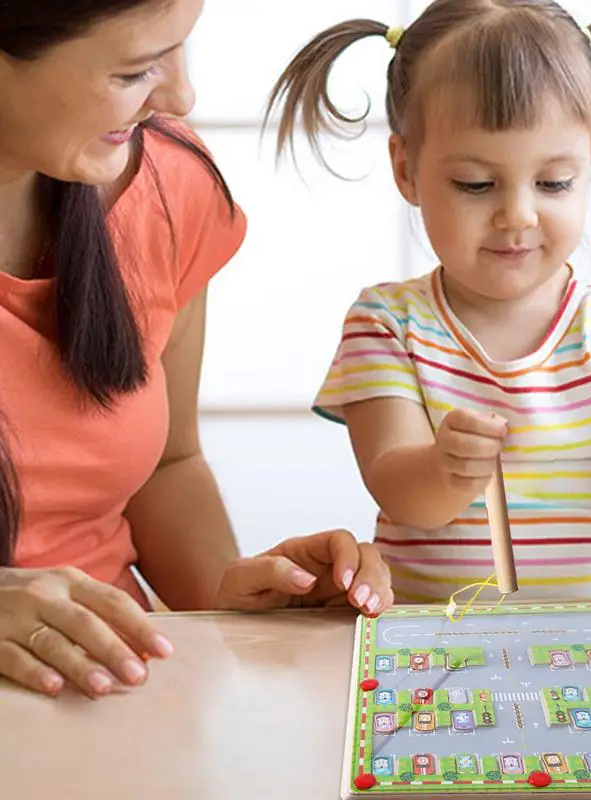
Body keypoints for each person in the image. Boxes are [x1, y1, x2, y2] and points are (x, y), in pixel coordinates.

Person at [265, 0, 591, 661]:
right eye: (475, 183)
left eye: (554, 181)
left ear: (589, 166)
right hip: (432, 662)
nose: (518, 215)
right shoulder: (387, 323)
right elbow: (398, 487)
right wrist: (444, 470)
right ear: (406, 169)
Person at [0, 0, 392, 700]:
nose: (181, 96)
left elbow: (168, 465)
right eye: (135, 69)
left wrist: (233, 593)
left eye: (181, 49)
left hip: (124, 699)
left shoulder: (167, 186)